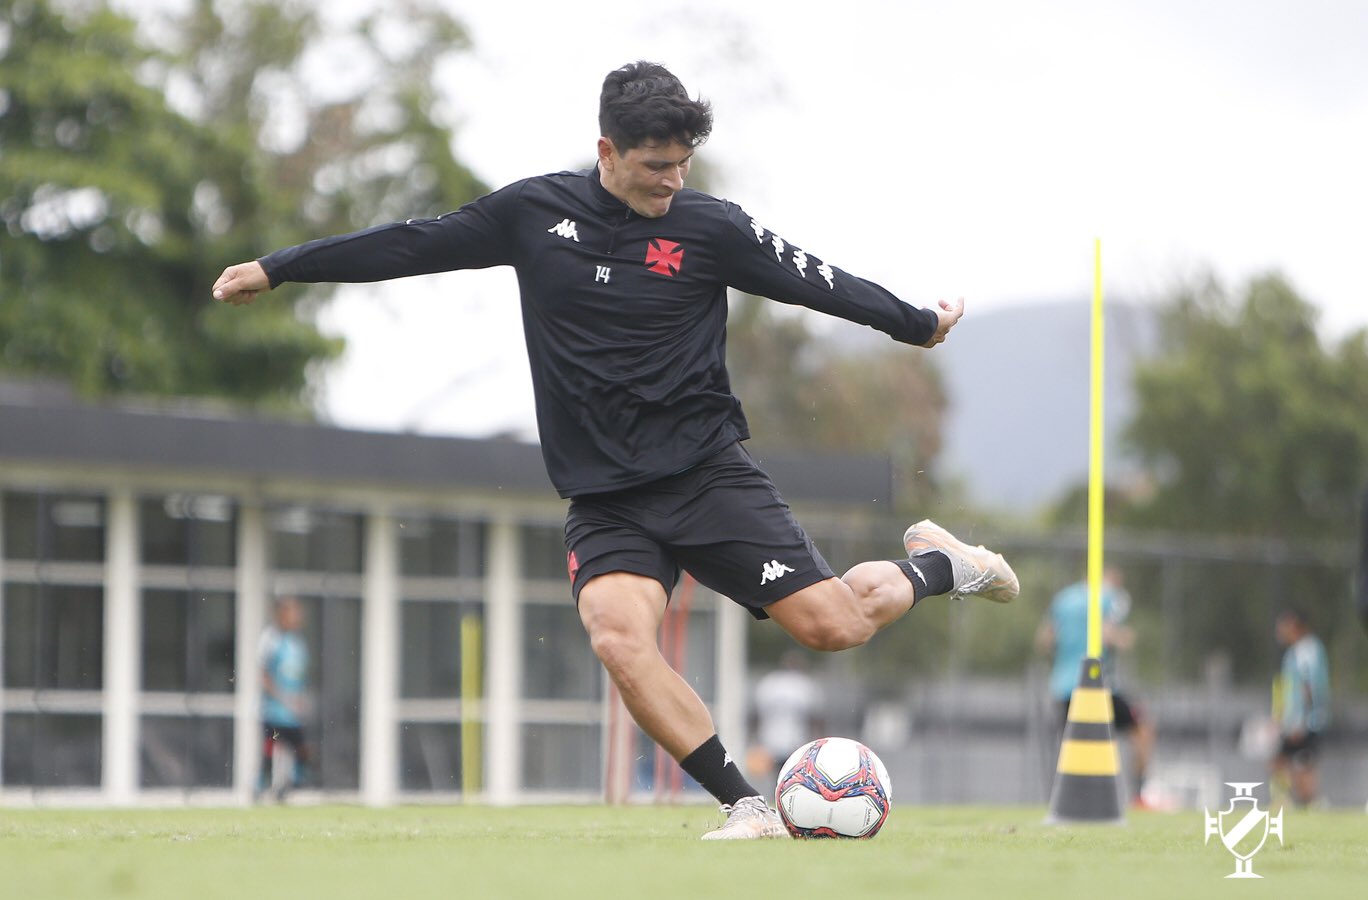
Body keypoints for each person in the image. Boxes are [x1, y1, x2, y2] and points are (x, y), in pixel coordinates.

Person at [213, 61, 1018, 838]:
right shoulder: (533, 215)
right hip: (605, 499)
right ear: (606, 152)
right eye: (655, 165)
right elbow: (410, 244)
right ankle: (745, 806)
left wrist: (915, 322)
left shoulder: (712, 228)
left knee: (833, 624)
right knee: (617, 636)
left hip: (707, 476)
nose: (672, 180)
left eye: (683, 164)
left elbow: (816, 279)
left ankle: (946, 563)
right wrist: (279, 269)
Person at [1036, 567, 1155, 806]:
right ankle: (1138, 795)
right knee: (1142, 729)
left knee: (1073, 744)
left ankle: (1066, 799)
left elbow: (1044, 640)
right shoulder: (1110, 597)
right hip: (1097, 684)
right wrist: (1125, 638)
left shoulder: (1063, 599)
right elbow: (1107, 634)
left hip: (1064, 686)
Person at [1271, 606, 1330, 808]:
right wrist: (1280, 717)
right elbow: (1288, 688)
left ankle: (1306, 803)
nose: (1279, 630)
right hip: (1296, 720)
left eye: (1283, 625)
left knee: (1300, 764)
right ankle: (1295, 801)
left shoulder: (1307, 650)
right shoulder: (1294, 652)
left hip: (1307, 721)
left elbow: (1308, 687)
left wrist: (1300, 722)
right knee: (1290, 761)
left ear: (1295, 625)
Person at [258, 595, 312, 800]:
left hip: (293, 711)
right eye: (292, 612)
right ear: (281, 614)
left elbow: (298, 676)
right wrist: (280, 696)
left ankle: (291, 786)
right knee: (271, 747)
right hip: (273, 710)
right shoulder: (271, 639)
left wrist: (299, 699)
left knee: (301, 750)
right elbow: (263, 674)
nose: (297, 616)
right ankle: (262, 787)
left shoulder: (298, 643)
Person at [749, 650, 823, 783]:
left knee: (785, 775)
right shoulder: (802, 685)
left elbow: (755, 715)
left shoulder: (771, 683)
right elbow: (815, 719)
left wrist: (754, 738)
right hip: (783, 738)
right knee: (787, 775)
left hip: (785, 738)